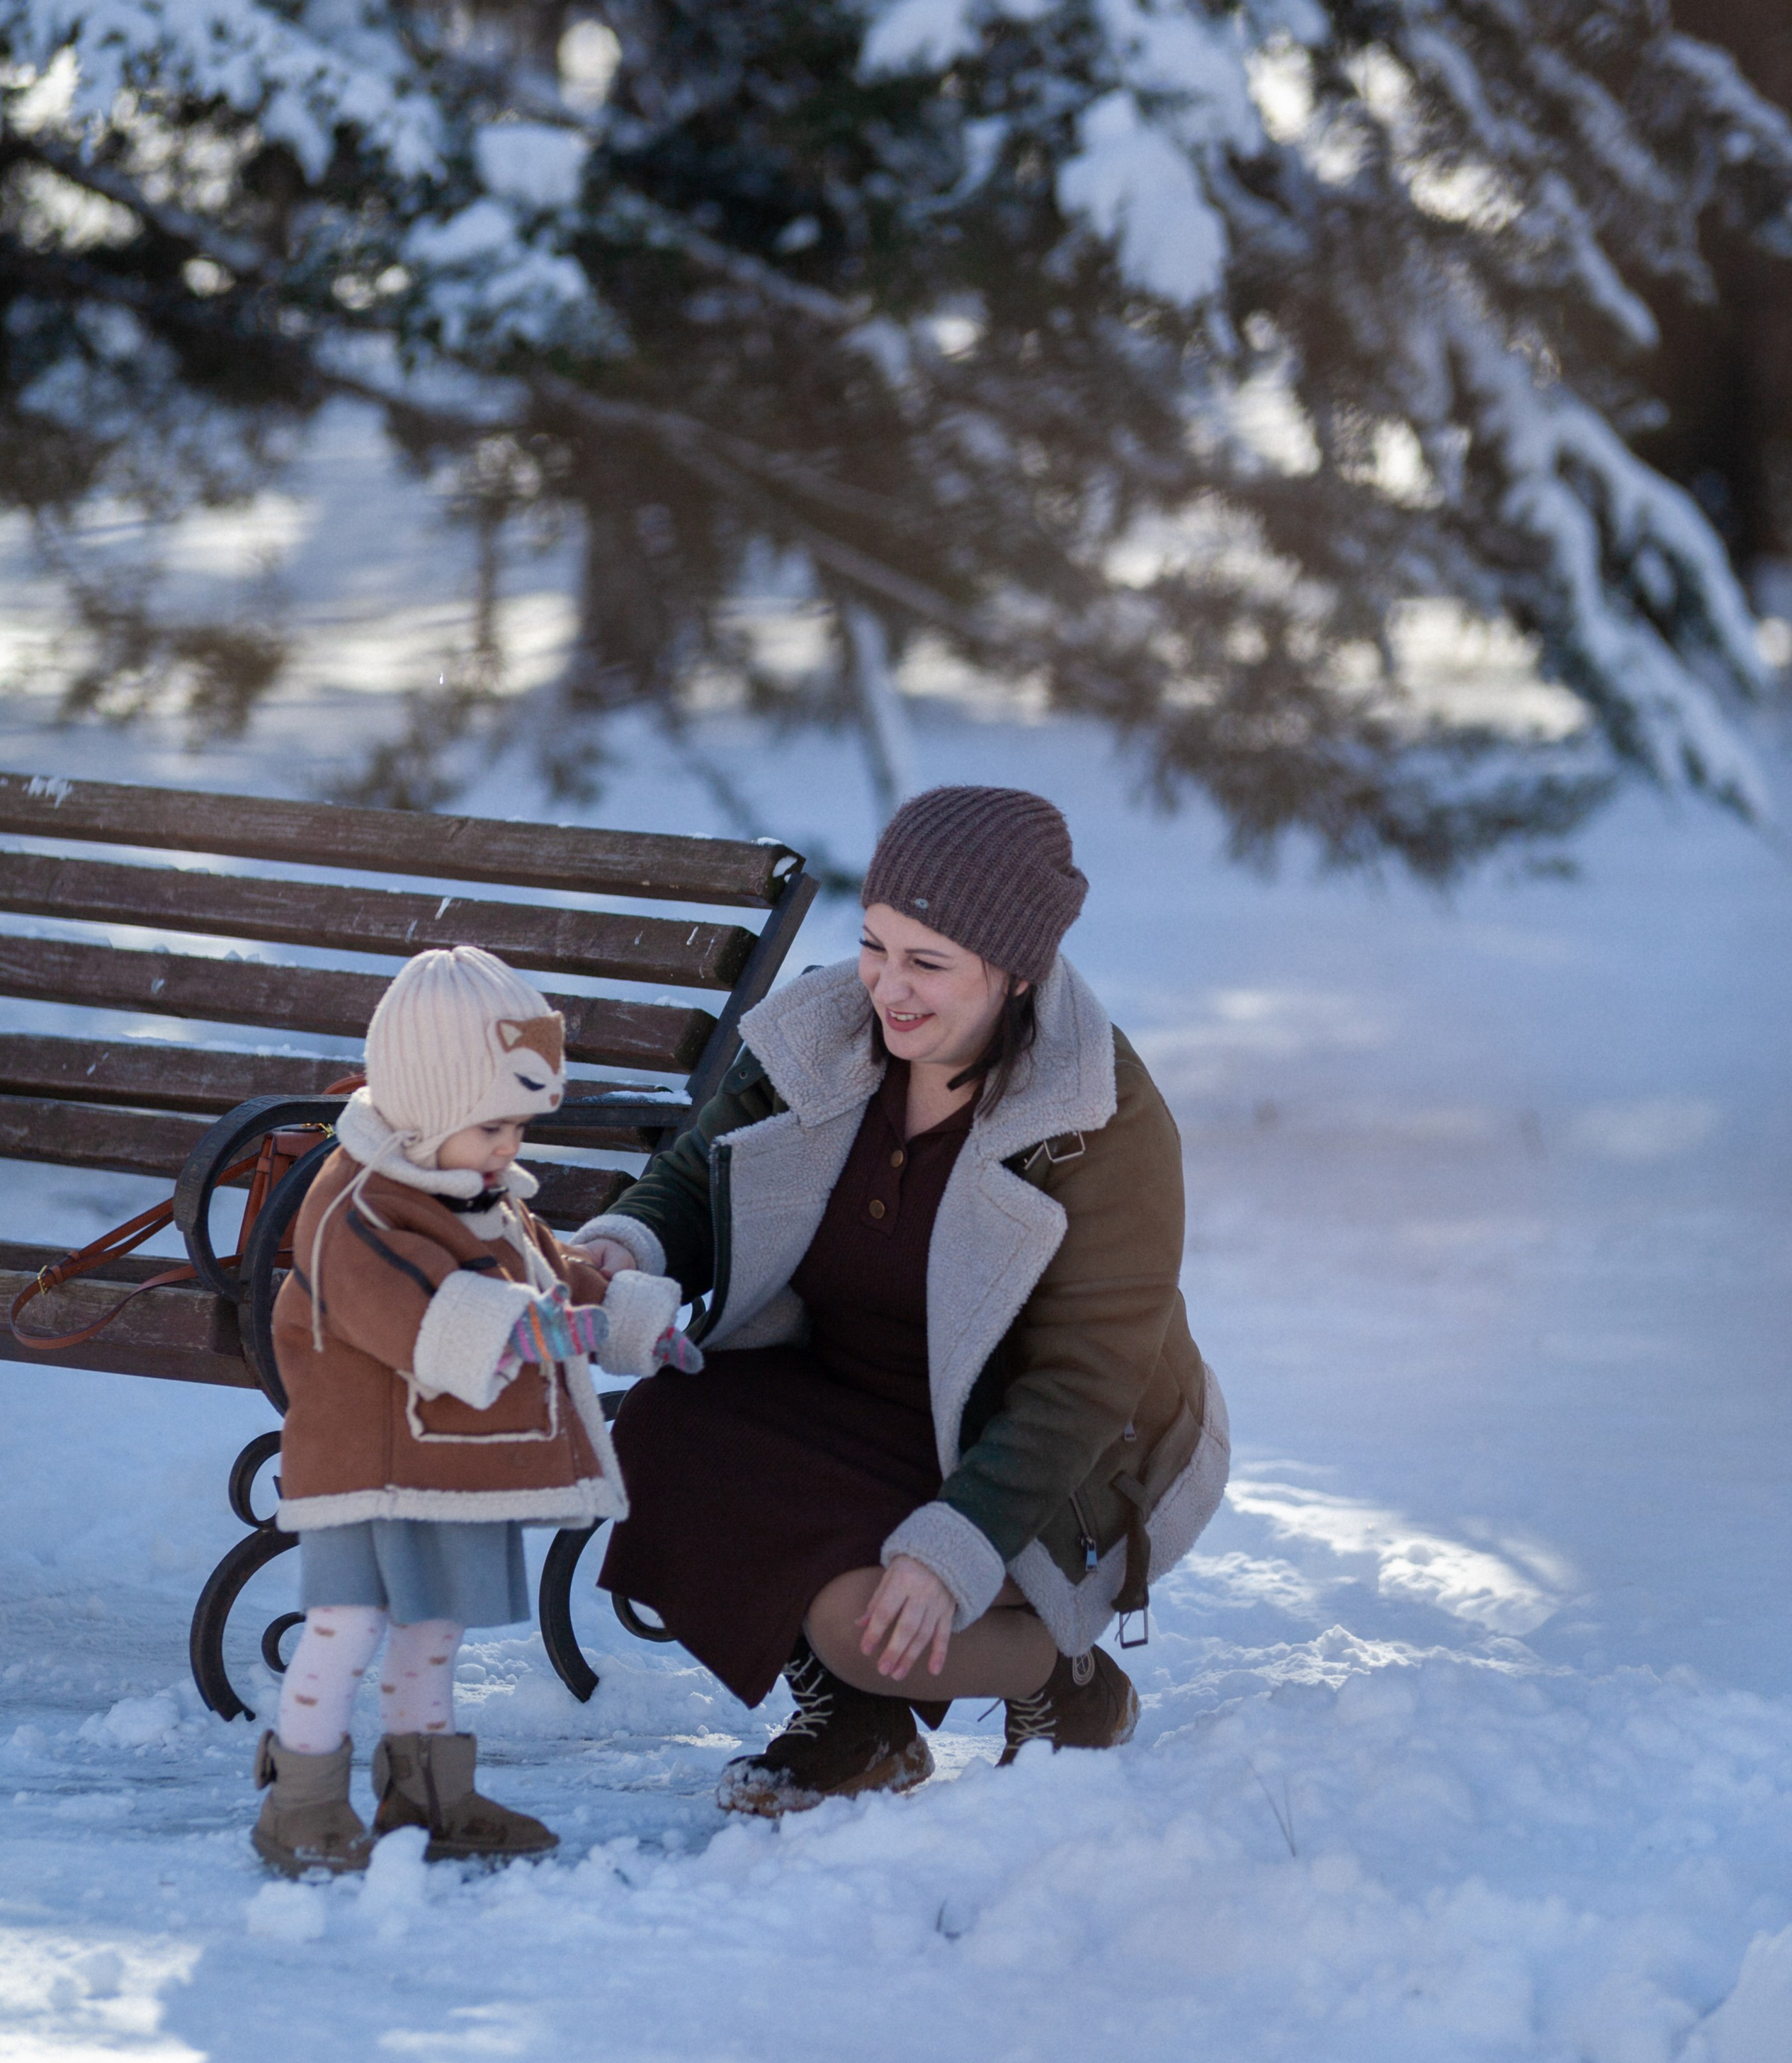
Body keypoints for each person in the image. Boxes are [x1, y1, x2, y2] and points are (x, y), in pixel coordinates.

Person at [579, 785, 1230, 1815]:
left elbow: (1085, 1380)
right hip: (859, 1399)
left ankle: (1068, 1685)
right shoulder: (827, 1035)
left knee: (875, 1628)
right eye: (877, 944)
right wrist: (623, 1245)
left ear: (1016, 972)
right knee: (670, 1428)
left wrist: (952, 1546)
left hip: (1057, 1449)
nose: (888, 988)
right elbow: (706, 1169)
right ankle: (859, 1730)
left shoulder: (1101, 1119)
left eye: (929, 963)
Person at [251, 943, 695, 1875]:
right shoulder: (357, 1202)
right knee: (347, 1623)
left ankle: (428, 1793)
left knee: (432, 1626)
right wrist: (521, 1332)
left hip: (443, 1459)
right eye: (492, 1125)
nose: (509, 1149)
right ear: (428, 1105)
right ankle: (302, 1802)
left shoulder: (477, 1190)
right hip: (365, 1462)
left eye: (519, 1128)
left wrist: (627, 1322)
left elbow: (549, 1275)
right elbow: (403, 1309)